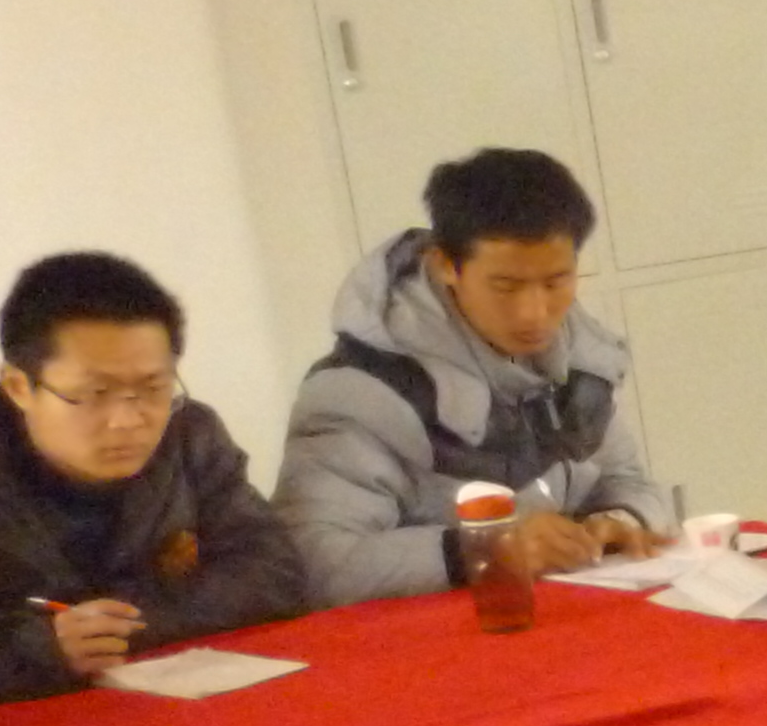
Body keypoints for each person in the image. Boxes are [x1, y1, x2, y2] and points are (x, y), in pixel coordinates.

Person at [274, 147, 669, 602]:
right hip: (436, 632)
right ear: (446, 265)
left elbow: (628, 479)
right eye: (506, 286)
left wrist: (620, 520)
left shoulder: (580, 359)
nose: (535, 313)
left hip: (560, 611)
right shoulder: (362, 391)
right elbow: (315, 564)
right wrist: (483, 551)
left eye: (556, 282)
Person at [0, 252, 303, 701]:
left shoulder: (189, 436)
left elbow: (272, 572)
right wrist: (39, 649)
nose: (129, 420)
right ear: (19, 387)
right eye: (95, 393)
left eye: (154, 389)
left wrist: (123, 623)